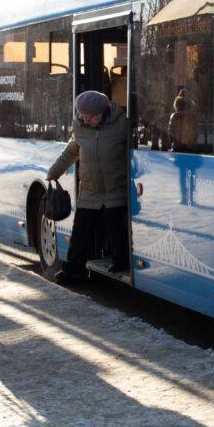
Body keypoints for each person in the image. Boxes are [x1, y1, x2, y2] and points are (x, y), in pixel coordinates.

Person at [46, 90, 130, 283]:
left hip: (115, 188)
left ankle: (121, 261)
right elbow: (71, 151)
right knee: (80, 232)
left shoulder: (121, 124)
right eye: (82, 117)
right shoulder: (80, 127)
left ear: (104, 112)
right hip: (90, 190)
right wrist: (54, 171)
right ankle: (72, 269)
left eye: (91, 117)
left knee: (116, 228)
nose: (86, 120)